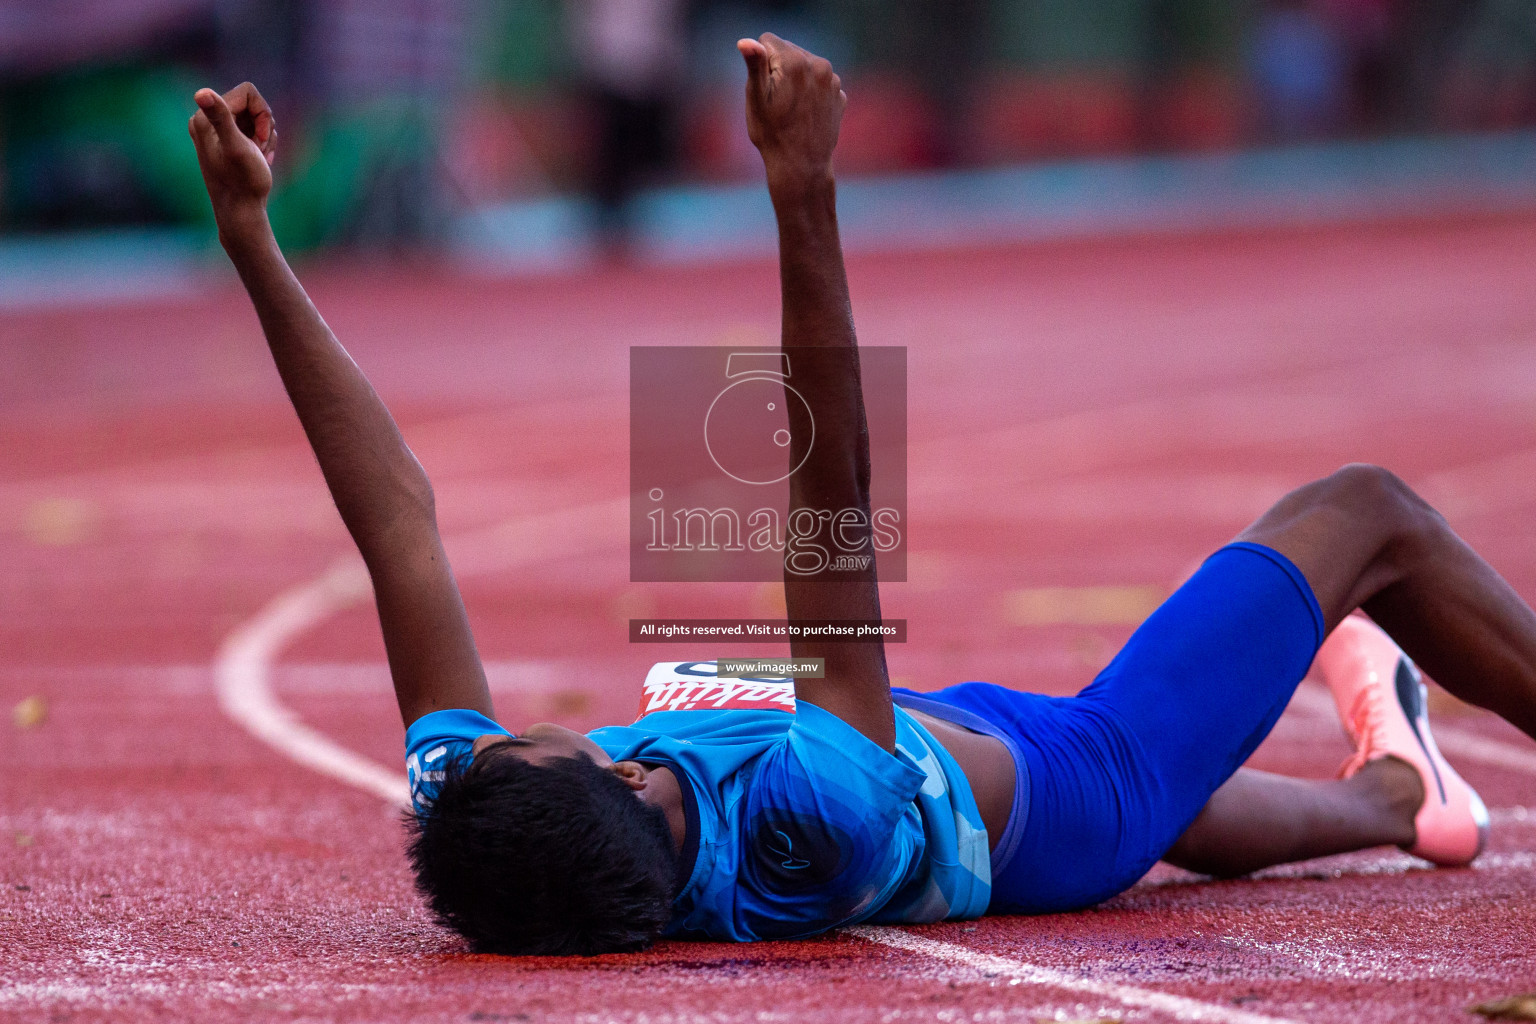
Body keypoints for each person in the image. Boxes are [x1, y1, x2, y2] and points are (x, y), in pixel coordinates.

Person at [187, 33, 1535, 957]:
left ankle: (1396, 797)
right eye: (534, 736)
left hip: (983, 751)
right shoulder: (807, 817)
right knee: (1366, 513)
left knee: (1218, 811)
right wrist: (803, 190)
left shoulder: (517, 848)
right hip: (1082, 783)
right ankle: (1384, 760)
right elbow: (831, 504)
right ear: (617, 781)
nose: (515, 729)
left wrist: (253, 240)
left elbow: (397, 529)